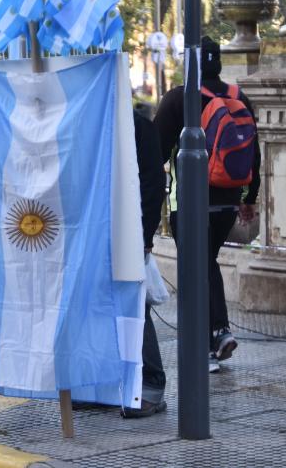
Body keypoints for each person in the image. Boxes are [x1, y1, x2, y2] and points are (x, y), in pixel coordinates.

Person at [153, 36, 260, 373]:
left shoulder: (180, 99)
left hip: (189, 203)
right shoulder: (237, 96)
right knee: (206, 264)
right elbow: (254, 151)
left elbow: (155, 152)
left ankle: (207, 342)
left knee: (195, 269)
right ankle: (219, 333)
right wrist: (250, 199)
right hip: (228, 202)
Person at [123, 110, 168, 418]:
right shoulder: (89, 117)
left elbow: (152, 181)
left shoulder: (136, 124)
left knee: (135, 306)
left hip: (129, 232)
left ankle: (151, 385)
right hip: (97, 232)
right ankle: (106, 385)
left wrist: (144, 235)